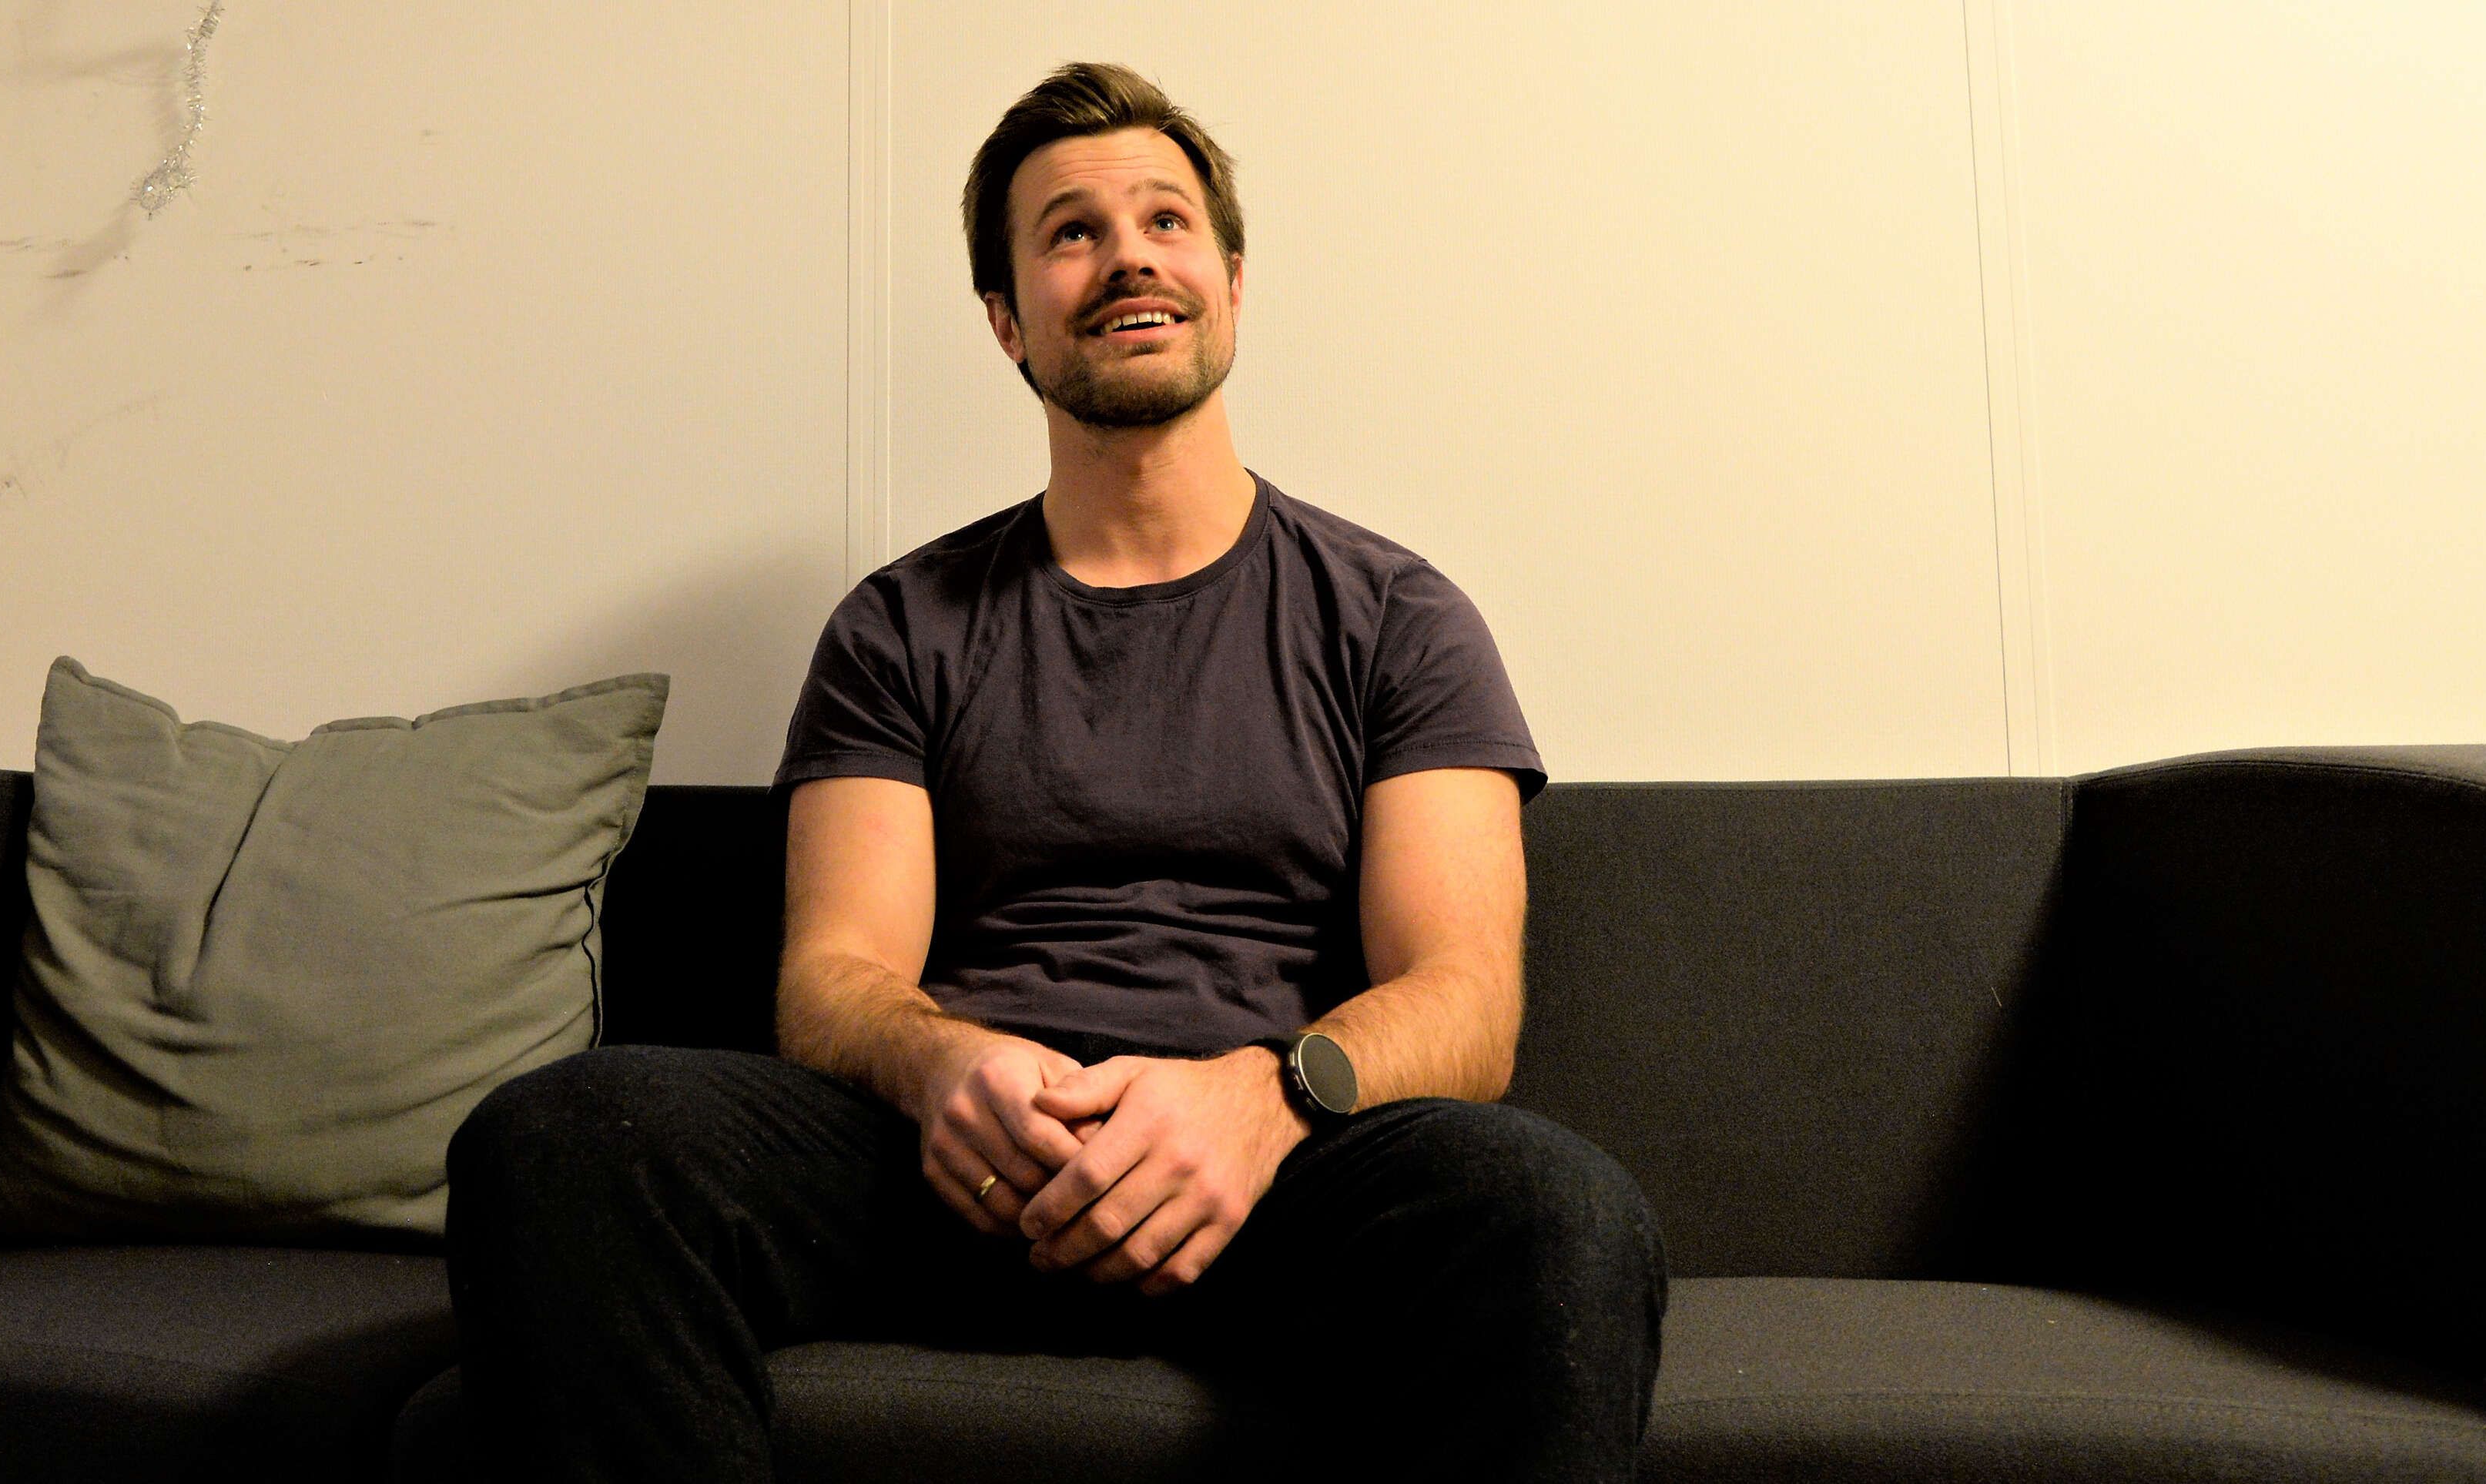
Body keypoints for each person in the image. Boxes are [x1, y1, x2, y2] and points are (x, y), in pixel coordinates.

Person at [444, 61, 1668, 1482]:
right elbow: (833, 977)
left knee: (1560, 1211)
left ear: (1230, 283)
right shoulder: (900, 627)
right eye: (1071, 232)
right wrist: (942, 1064)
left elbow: (1463, 999)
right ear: (1007, 320)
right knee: (562, 1137)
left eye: (1165, 220)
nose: (1128, 255)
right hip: (956, 1173)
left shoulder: (1398, 616)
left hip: (1270, 1176)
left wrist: (1263, 1099)